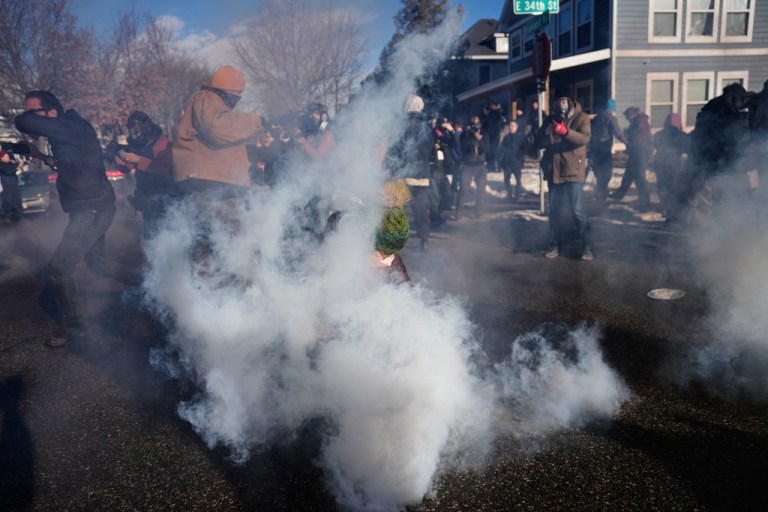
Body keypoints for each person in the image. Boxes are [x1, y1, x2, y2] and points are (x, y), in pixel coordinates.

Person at [15, 90, 136, 347]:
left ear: (51, 112)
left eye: (31, 110)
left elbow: (21, 123)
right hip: (91, 208)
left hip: (92, 210)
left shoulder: (71, 125)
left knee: (59, 268)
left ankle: (76, 328)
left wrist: (22, 118)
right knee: (99, 266)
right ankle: (147, 286)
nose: (27, 116)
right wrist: (39, 156)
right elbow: (70, 166)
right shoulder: (64, 134)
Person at [172, 65, 265, 276]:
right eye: (237, 94)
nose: (238, 98)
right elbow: (218, 128)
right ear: (227, 91)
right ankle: (246, 300)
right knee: (238, 248)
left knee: (206, 253)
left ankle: (208, 302)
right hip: (214, 189)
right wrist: (257, 121)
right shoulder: (207, 98)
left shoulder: (209, 104)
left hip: (207, 189)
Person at [534, 86, 593, 260]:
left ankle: (587, 246)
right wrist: (546, 133)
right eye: (557, 102)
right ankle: (554, 245)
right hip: (555, 171)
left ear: (570, 102)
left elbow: (584, 138)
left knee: (577, 210)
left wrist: (565, 132)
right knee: (555, 211)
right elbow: (536, 142)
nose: (560, 105)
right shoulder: (550, 119)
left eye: (563, 101)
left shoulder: (582, 118)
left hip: (574, 170)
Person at [384, 95, 433, 251]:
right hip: (422, 176)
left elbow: (395, 150)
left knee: (398, 208)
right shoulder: (426, 126)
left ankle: (396, 242)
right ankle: (424, 240)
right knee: (421, 209)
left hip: (403, 174)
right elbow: (429, 150)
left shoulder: (401, 125)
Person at [113, 111, 173, 238]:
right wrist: (119, 157)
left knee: (165, 236)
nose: (134, 134)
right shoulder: (138, 145)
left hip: (164, 199)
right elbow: (131, 169)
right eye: (131, 130)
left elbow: (165, 168)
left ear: (146, 128)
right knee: (151, 237)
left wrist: (139, 160)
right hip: (147, 199)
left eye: (136, 129)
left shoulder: (161, 142)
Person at [610, 107, 652, 209]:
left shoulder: (640, 121)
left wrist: (628, 136)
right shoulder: (636, 122)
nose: (627, 118)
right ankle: (619, 194)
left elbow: (639, 138)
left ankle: (645, 200)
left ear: (632, 115)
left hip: (641, 152)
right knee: (629, 173)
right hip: (636, 152)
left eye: (627, 116)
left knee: (639, 176)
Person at [589, 99, 626, 209]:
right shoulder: (611, 118)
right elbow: (618, 132)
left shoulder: (595, 119)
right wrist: (628, 143)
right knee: (605, 175)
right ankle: (600, 202)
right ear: (611, 109)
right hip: (604, 151)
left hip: (594, 150)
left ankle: (600, 197)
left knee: (599, 175)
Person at [652, 113, 689, 217]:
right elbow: (688, 149)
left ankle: (664, 206)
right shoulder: (682, 135)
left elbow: (655, 146)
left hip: (660, 164)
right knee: (673, 187)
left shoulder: (658, 134)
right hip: (674, 165)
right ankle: (670, 208)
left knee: (662, 186)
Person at [456, 115, 490, 219]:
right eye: (473, 124)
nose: (475, 126)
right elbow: (462, 147)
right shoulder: (465, 134)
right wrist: (468, 135)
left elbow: (487, 148)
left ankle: (479, 211)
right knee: (463, 189)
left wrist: (479, 138)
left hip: (480, 165)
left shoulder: (484, 134)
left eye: (477, 124)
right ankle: (459, 211)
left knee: (481, 190)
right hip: (468, 165)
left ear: (480, 124)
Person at [498, 120, 527, 201]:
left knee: (518, 180)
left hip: (516, 162)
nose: (511, 127)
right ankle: (509, 194)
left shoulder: (521, 137)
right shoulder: (506, 137)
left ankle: (518, 195)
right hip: (507, 162)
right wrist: (501, 159)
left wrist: (520, 157)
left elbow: (524, 149)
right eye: (510, 126)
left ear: (516, 127)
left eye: (513, 126)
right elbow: (502, 149)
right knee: (506, 179)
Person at [481, 100, 506, 172]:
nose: (492, 107)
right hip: (490, 135)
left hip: (495, 135)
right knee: (490, 152)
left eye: (493, 105)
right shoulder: (489, 114)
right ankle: (491, 167)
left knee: (495, 152)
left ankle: (497, 167)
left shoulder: (497, 113)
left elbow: (500, 123)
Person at [0, 150, 22, 224]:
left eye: (8, 156)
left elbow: (15, 166)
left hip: (15, 185)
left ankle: (19, 216)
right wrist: (17, 167)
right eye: (6, 156)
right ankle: (7, 217)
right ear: (1, 158)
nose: (8, 157)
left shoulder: (11, 163)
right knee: (7, 202)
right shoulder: (1, 165)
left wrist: (22, 163)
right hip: (7, 186)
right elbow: (8, 172)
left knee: (18, 201)